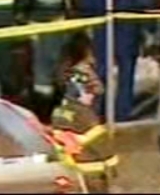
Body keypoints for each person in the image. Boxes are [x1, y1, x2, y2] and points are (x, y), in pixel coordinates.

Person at [76, 0, 156, 121]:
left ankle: (99, 109)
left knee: (102, 72)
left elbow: (84, 7)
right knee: (126, 74)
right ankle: (122, 113)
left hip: (102, 32)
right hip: (128, 32)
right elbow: (146, 0)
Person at [49, 51, 117, 184]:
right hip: (93, 172)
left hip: (72, 169)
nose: (92, 97)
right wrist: (112, 165)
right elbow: (100, 143)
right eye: (89, 93)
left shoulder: (59, 111)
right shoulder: (85, 114)